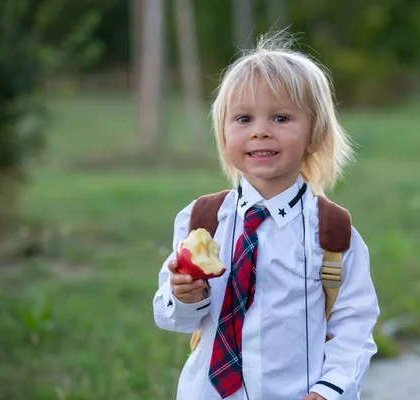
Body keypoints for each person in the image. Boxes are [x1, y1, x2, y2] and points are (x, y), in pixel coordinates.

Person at [153, 32, 380, 400]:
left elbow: (354, 327)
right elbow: (174, 320)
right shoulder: (202, 219)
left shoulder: (334, 233)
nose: (260, 131)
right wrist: (183, 296)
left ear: (314, 133)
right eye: (243, 118)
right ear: (223, 134)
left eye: (280, 117)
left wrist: (328, 391)